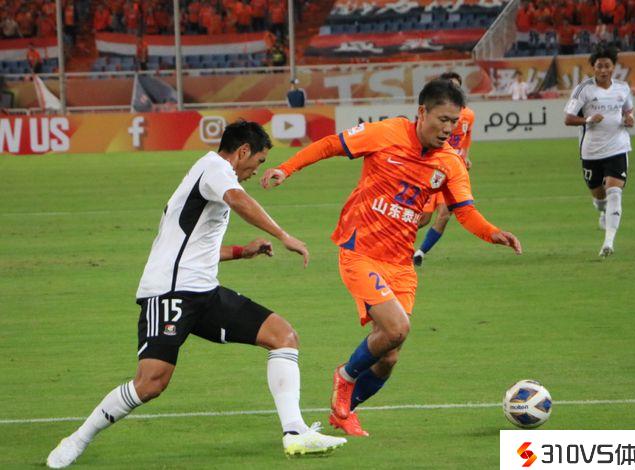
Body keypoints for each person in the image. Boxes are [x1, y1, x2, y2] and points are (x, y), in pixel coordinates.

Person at [45, 121, 346, 469]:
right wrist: (283, 235)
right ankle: (77, 439)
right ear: (243, 151)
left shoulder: (211, 178)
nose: (256, 170)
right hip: (170, 292)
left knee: (283, 336)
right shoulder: (215, 169)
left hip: (203, 291)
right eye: (259, 161)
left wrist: (241, 252)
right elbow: (238, 201)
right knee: (150, 383)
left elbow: (193, 249)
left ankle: (295, 433)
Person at [260, 80, 522, 437]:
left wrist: (493, 233)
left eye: (454, 122)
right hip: (360, 251)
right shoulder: (386, 133)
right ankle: (344, 377)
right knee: (397, 328)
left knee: (389, 356)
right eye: (443, 119)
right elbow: (331, 145)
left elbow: (464, 211)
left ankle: (343, 412)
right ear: (422, 112)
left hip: (400, 263)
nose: (449, 129)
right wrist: (286, 169)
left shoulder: (450, 163)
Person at [564, 44, 633, 257]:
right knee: (599, 196)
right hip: (591, 151)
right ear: (593, 67)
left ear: (613, 67)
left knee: (615, 193)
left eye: (607, 66)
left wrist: (629, 118)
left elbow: (628, 110)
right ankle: (602, 211)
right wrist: (588, 119)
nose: (603, 70)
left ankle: (608, 243)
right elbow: (568, 118)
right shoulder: (584, 89)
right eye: (599, 66)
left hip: (618, 147)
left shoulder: (623, 88)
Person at [413, 72, 475, 267]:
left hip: (451, 172)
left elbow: (467, 136)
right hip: (432, 169)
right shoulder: (434, 114)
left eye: (456, 87)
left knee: (445, 214)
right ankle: (391, 241)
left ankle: (420, 253)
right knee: (423, 218)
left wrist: (465, 156)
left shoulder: (468, 115)